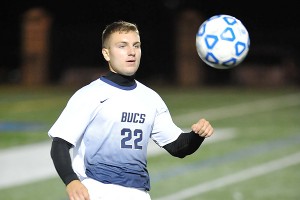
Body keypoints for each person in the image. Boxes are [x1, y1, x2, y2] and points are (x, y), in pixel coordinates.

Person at [49, 20, 214, 200]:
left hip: (138, 193)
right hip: (96, 190)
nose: (131, 52)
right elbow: (60, 144)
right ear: (106, 53)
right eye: (122, 46)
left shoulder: (151, 98)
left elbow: (177, 147)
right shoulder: (89, 95)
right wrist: (71, 180)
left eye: (136, 45)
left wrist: (197, 135)